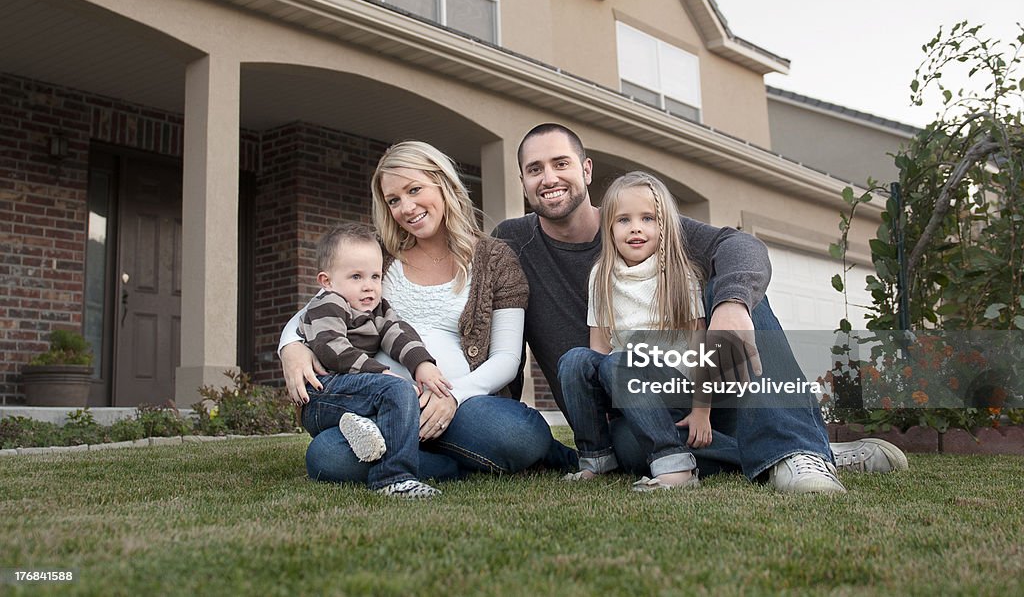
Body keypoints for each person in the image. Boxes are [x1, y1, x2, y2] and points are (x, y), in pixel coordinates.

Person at [492, 123, 909, 494]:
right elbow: (498, 320)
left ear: (586, 170)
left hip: (700, 384)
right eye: (535, 169)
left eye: (560, 163)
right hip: (625, 416)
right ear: (523, 181)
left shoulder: (639, 223)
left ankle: (799, 452)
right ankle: (801, 447)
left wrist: (731, 305)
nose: (549, 178)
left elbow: (739, 246)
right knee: (639, 451)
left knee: (736, 292)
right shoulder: (513, 243)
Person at [280, 141, 576, 485]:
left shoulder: (496, 259)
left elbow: (507, 360)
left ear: (443, 183)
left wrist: (451, 397)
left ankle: (415, 453)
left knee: (518, 433)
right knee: (326, 456)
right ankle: (451, 463)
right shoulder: (378, 253)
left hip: (463, 406)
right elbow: (316, 307)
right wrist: (291, 347)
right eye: (394, 200)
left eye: (414, 190)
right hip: (381, 407)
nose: (406, 207)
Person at [561, 171, 732, 491]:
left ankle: (675, 466)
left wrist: (701, 411)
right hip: (624, 381)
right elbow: (597, 348)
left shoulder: (680, 275)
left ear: (663, 226)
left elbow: (702, 350)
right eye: (624, 220)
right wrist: (605, 408)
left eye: (648, 218)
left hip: (675, 385)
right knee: (575, 360)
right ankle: (597, 458)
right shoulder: (601, 275)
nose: (636, 227)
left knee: (619, 361)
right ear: (609, 228)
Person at [297, 222, 448, 498]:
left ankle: (364, 427)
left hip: (352, 394)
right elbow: (333, 349)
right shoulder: (328, 304)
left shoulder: (377, 310)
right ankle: (392, 479)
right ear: (326, 281)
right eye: (356, 277)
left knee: (397, 390)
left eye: (375, 277)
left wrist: (422, 364)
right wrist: (380, 373)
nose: (369, 287)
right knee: (397, 389)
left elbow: (398, 332)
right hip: (321, 394)